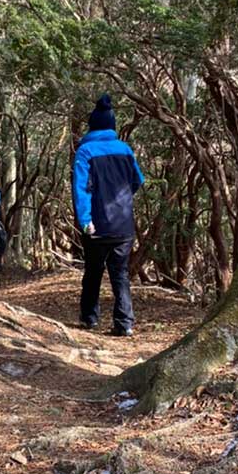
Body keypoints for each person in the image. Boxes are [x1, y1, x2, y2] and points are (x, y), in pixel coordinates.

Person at [71, 94, 144, 337]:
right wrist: (123, 197)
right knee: (120, 273)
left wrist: (85, 220)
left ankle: (89, 318)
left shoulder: (85, 151)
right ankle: (124, 323)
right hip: (124, 225)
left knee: (93, 271)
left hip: (97, 224)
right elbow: (138, 180)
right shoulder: (125, 149)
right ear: (112, 125)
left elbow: (80, 189)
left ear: (92, 126)